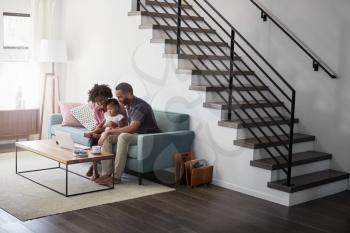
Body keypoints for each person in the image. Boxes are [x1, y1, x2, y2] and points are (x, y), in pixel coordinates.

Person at [96, 82, 160, 185]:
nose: (118, 99)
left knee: (123, 136)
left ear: (129, 94)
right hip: (136, 134)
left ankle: (116, 177)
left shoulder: (140, 106)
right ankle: (106, 173)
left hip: (147, 136)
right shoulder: (128, 106)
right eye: (117, 96)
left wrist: (108, 131)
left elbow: (132, 128)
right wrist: (108, 131)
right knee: (108, 138)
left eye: (120, 96)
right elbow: (126, 126)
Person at [89, 98, 127, 180]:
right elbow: (102, 125)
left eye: (111, 109)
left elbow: (123, 128)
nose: (109, 111)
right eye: (108, 109)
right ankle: (106, 173)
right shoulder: (106, 115)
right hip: (106, 133)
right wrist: (101, 127)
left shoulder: (120, 117)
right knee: (103, 136)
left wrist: (114, 125)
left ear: (117, 107)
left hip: (116, 133)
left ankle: (107, 173)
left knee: (105, 136)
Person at [83, 84, 113, 177]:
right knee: (93, 140)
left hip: (111, 129)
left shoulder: (113, 106)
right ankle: (95, 170)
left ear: (108, 97)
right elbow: (98, 124)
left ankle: (93, 166)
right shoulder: (96, 109)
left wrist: (99, 132)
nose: (100, 103)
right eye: (97, 101)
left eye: (102, 100)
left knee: (97, 137)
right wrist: (96, 132)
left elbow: (113, 124)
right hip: (101, 129)